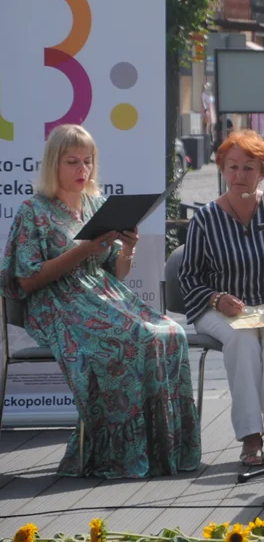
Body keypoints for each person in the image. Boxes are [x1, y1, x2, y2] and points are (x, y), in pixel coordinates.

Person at [0, 124, 201, 478]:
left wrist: (130, 246)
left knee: (169, 333)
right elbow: (27, 279)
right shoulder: (34, 211)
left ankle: (161, 450)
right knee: (132, 338)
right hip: (56, 302)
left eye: (88, 162)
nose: (82, 170)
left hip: (104, 293)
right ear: (54, 164)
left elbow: (117, 272)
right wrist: (81, 251)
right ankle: (118, 455)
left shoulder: (96, 203)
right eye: (72, 162)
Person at [179, 130, 264, 466]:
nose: (239, 176)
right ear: (222, 169)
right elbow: (189, 277)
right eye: (232, 167)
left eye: (248, 168)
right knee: (243, 340)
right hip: (219, 307)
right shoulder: (206, 218)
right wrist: (217, 298)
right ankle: (251, 437)